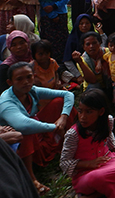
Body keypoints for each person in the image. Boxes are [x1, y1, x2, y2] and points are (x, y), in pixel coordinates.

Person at [0, 62, 76, 196]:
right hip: (18, 143)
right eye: (19, 79)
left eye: (29, 77)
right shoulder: (6, 102)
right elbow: (23, 125)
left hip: (38, 129)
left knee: (59, 102)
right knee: (25, 132)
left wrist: (63, 117)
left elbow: (68, 95)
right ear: (9, 82)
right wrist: (54, 127)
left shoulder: (32, 90)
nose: (26, 82)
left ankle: (68, 146)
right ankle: (31, 178)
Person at [63, 14, 106, 79]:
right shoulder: (72, 39)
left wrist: (101, 33)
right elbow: (67, 60)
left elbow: (103, 49)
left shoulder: (94, 36)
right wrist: (78, 75)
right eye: (81, 24)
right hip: (80, 69)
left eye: (87, 23)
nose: (84, 26)